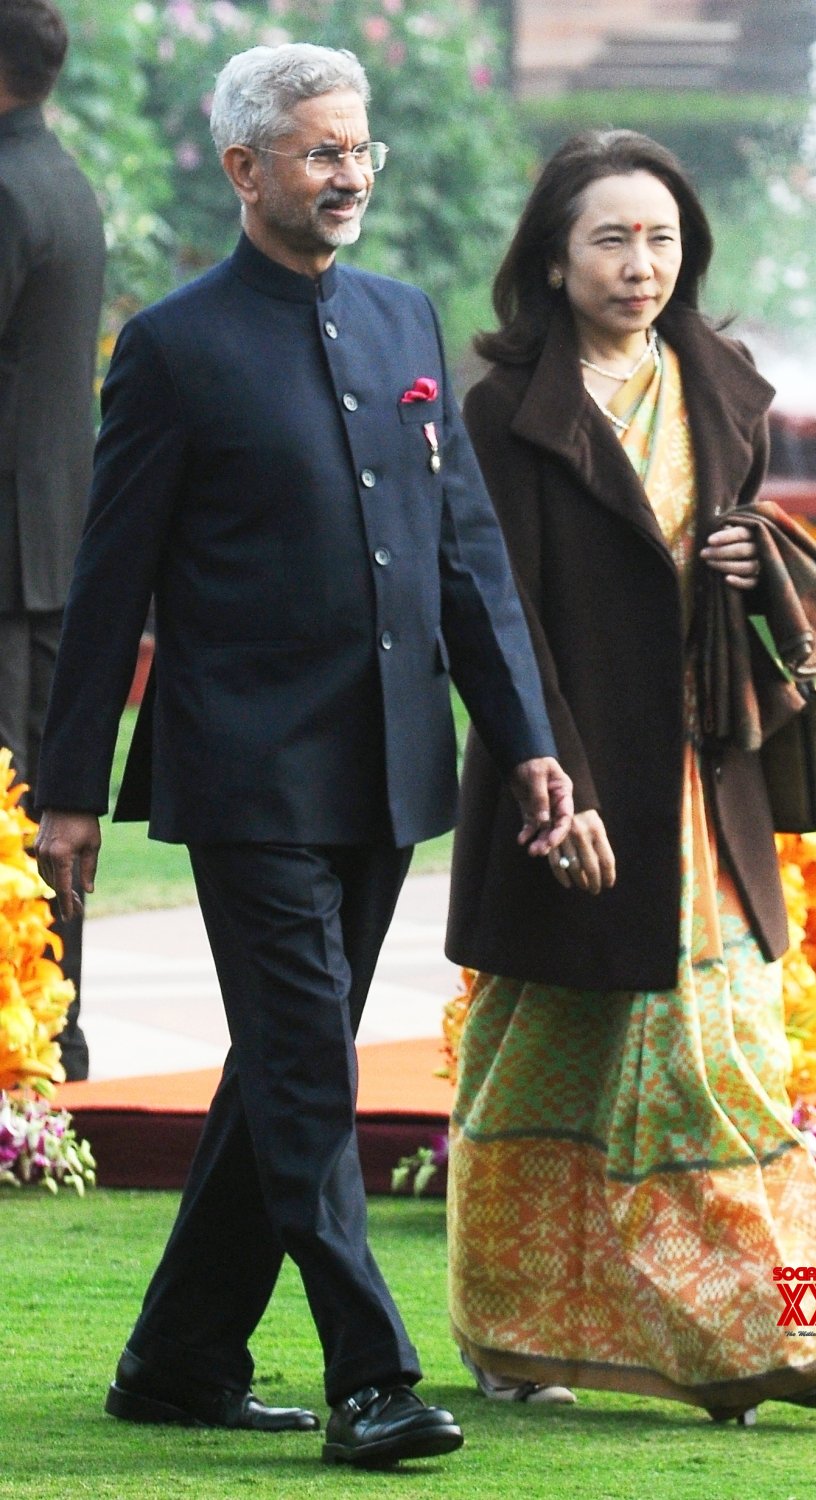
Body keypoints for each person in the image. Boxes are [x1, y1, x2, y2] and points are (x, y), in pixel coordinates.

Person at [33, 43, 572, 1469]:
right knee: (303, 1064)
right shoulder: (174, 345)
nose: (348, 176)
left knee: (291, 1057)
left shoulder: (404, 321)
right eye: (321, 152)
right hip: (243, 771)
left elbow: (465, 559)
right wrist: (68, 791)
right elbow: (110, 583)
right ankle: (372, 1378)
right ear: (245, 168)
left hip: (390, 763)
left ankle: (179, 1359)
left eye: (361, 150)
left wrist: (523, 740)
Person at [445, 130, 816, 1420]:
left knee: (723, 1068)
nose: (639, 263)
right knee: (530, 1064)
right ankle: (513, 1336)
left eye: (659, 238)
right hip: (570, 787)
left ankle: (808, 1328)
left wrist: (745, 558)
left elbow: (761, 550)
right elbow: (498, 618)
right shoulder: (502, 409)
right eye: (610, 237)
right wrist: (562, 786)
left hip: (708, 790)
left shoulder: (720, 381)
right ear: (552, 258)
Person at [0, 0, 105, 1081]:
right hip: (47, 543)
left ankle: (36, 1035)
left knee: (12, 807)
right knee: (33, 804)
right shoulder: (58, 175)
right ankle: (55, 1028)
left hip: (6, 554)